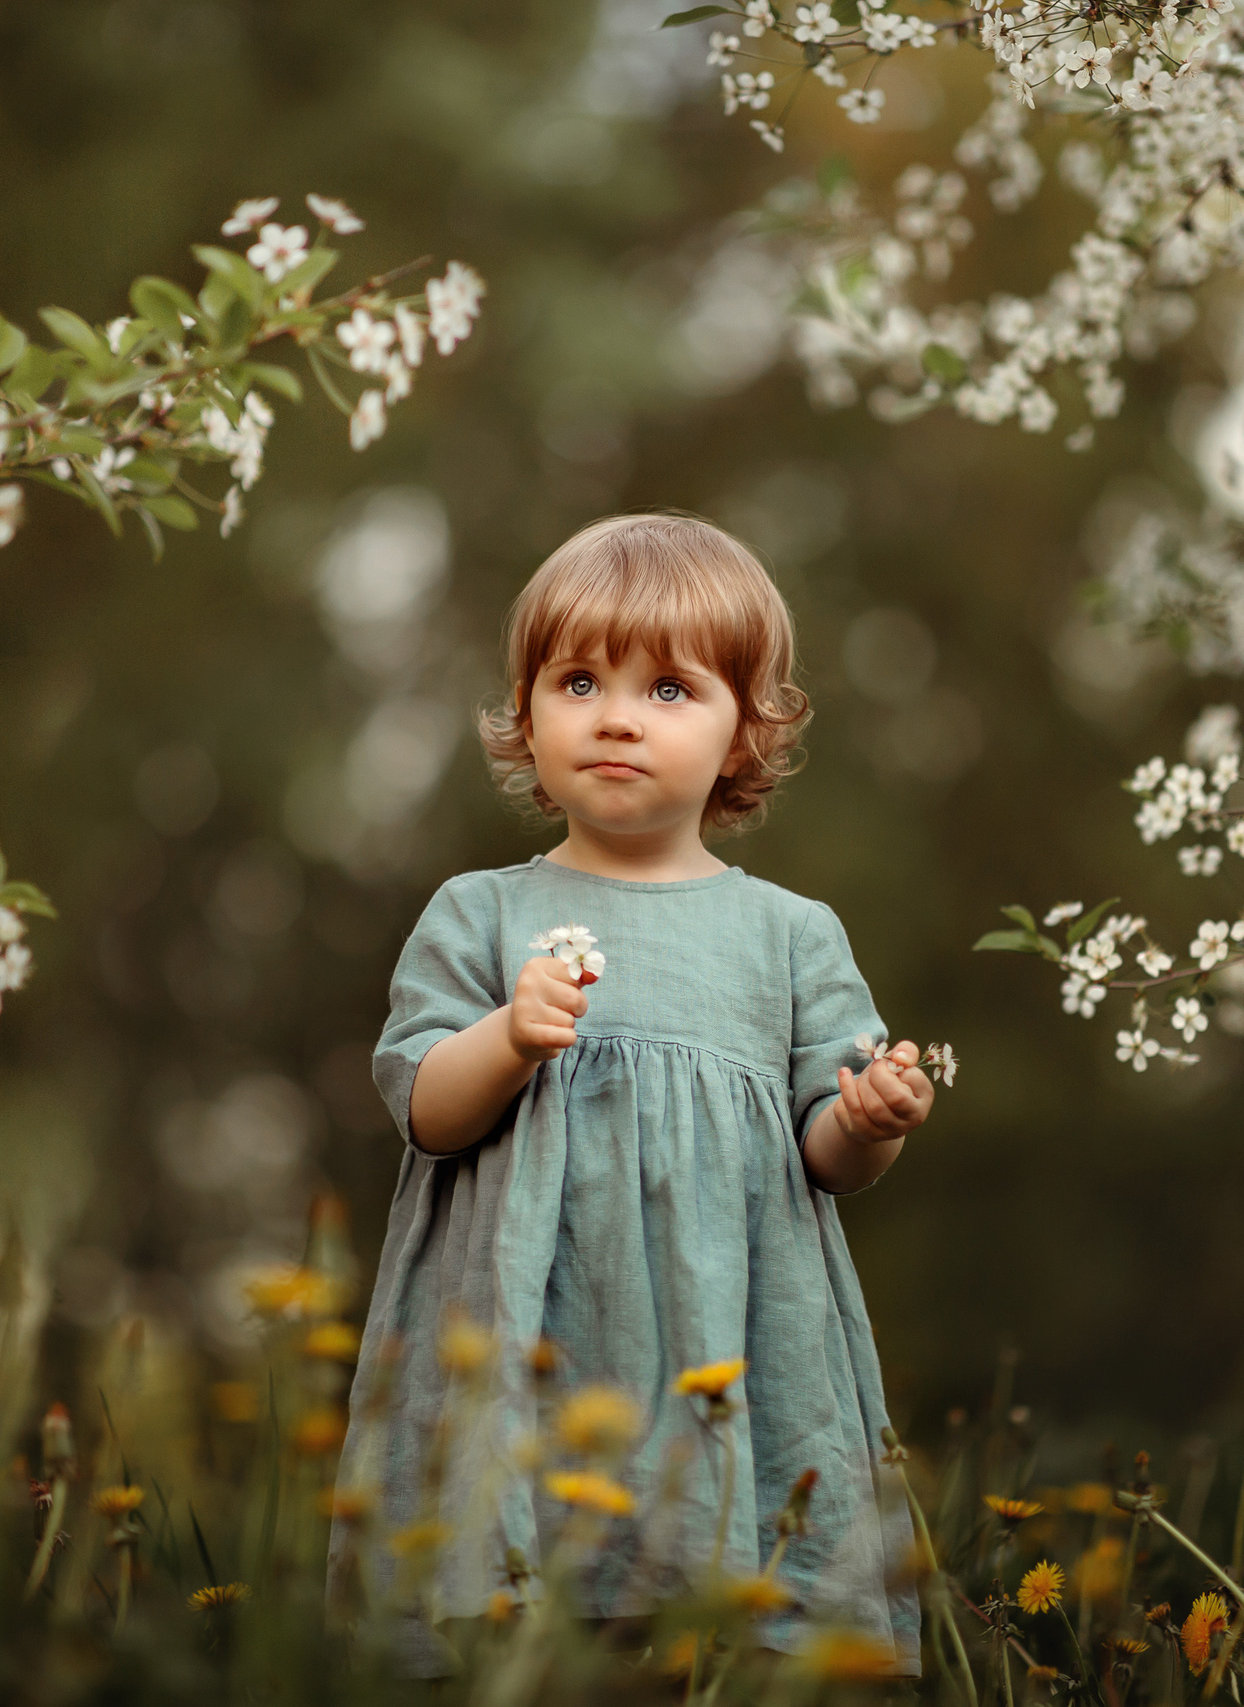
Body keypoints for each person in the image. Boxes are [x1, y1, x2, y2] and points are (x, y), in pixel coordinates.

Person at [329, 513, 936, 1674]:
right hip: (534, 1349)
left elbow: (828, 1162)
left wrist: (865, 1122)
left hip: (730, 1357)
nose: (615, 714)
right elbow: (424, 1108)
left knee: (714, 1631)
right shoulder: (478, 914)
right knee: (542, 1640)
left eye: (668, 687)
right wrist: (507, 1037)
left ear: (743, 729)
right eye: (576, 680)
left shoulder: (790, 936)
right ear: (524, 712)